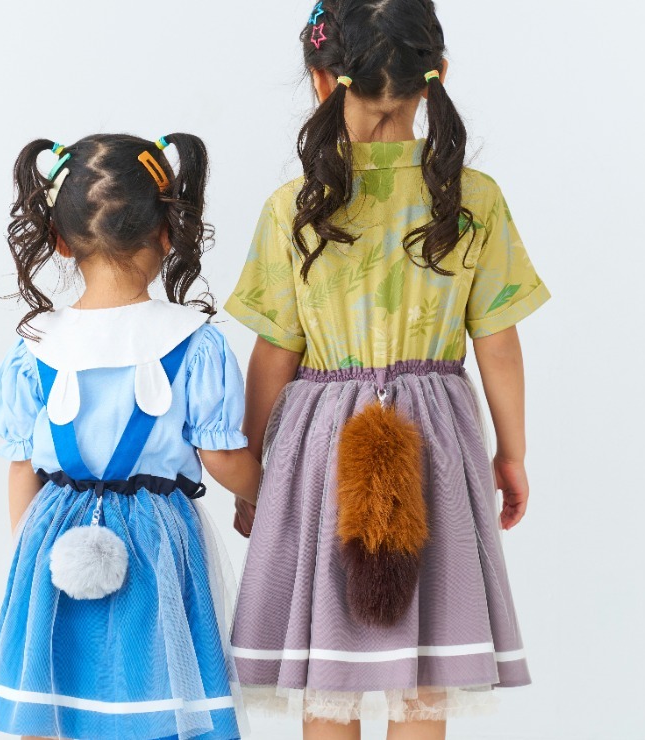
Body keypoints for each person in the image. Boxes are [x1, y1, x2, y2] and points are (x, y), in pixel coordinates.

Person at [225, 1, 550, 738]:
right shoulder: (472, 197)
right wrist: (512, 451)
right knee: (426, 666)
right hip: (437, 442)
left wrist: (252, 465)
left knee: (327, 668)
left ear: (321, 78)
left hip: (320, 449)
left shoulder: (294, 207)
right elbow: (498, 340)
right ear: (436, 76)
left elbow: (275, 351)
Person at [0, 133, 260, 740]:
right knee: (160, 692)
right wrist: (258, 495)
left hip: (54, 535)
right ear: (167, 232)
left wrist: (30, 556)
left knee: (54, 696)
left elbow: (22, 466)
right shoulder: (195, 342)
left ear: (59, 239)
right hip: (156, 537)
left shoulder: (34, 347)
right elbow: (220, 456)